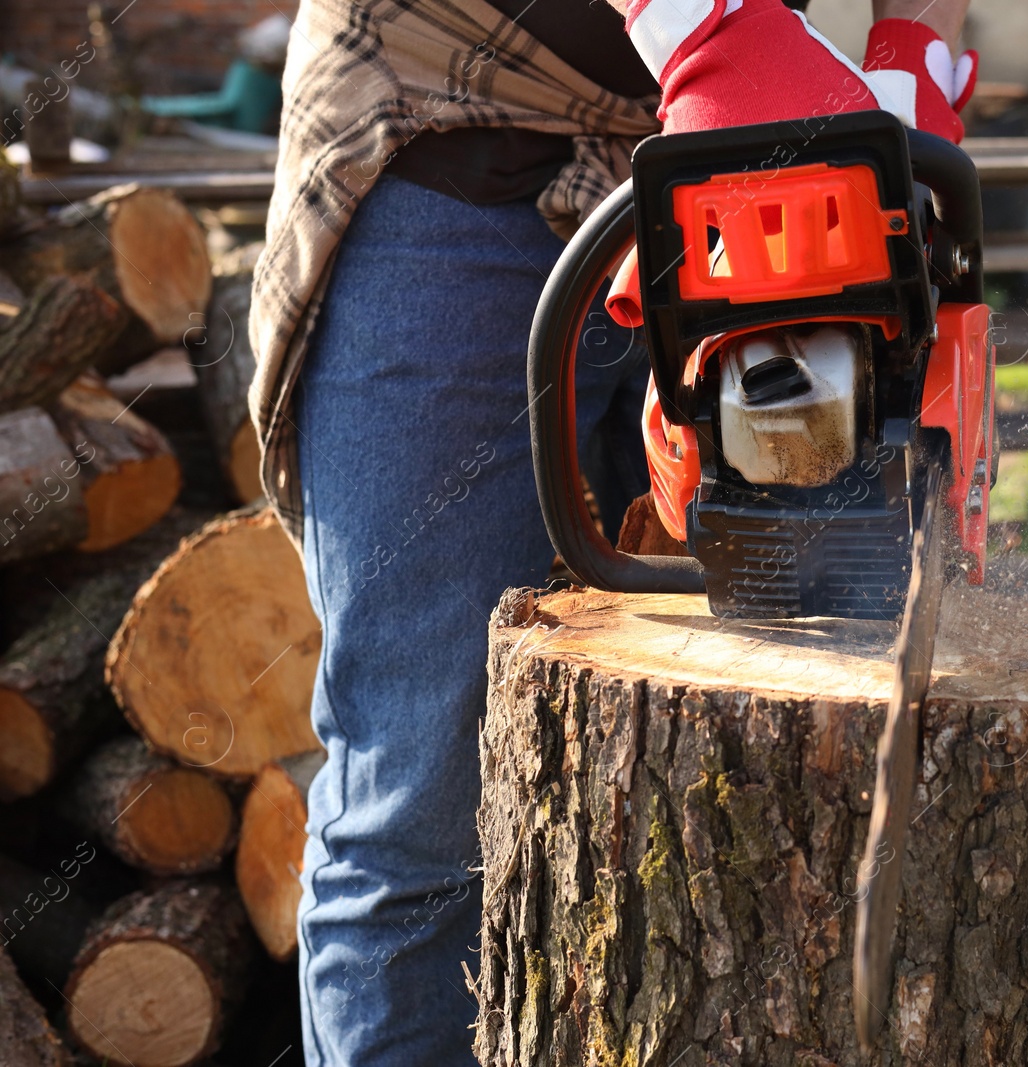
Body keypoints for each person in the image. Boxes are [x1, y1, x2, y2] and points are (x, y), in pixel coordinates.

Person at [249, 1, 976, 1062]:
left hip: (745, 156)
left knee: (752, 757)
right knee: (420, 797)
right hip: (452, 128)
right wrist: (717, 29)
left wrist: (914, 62)